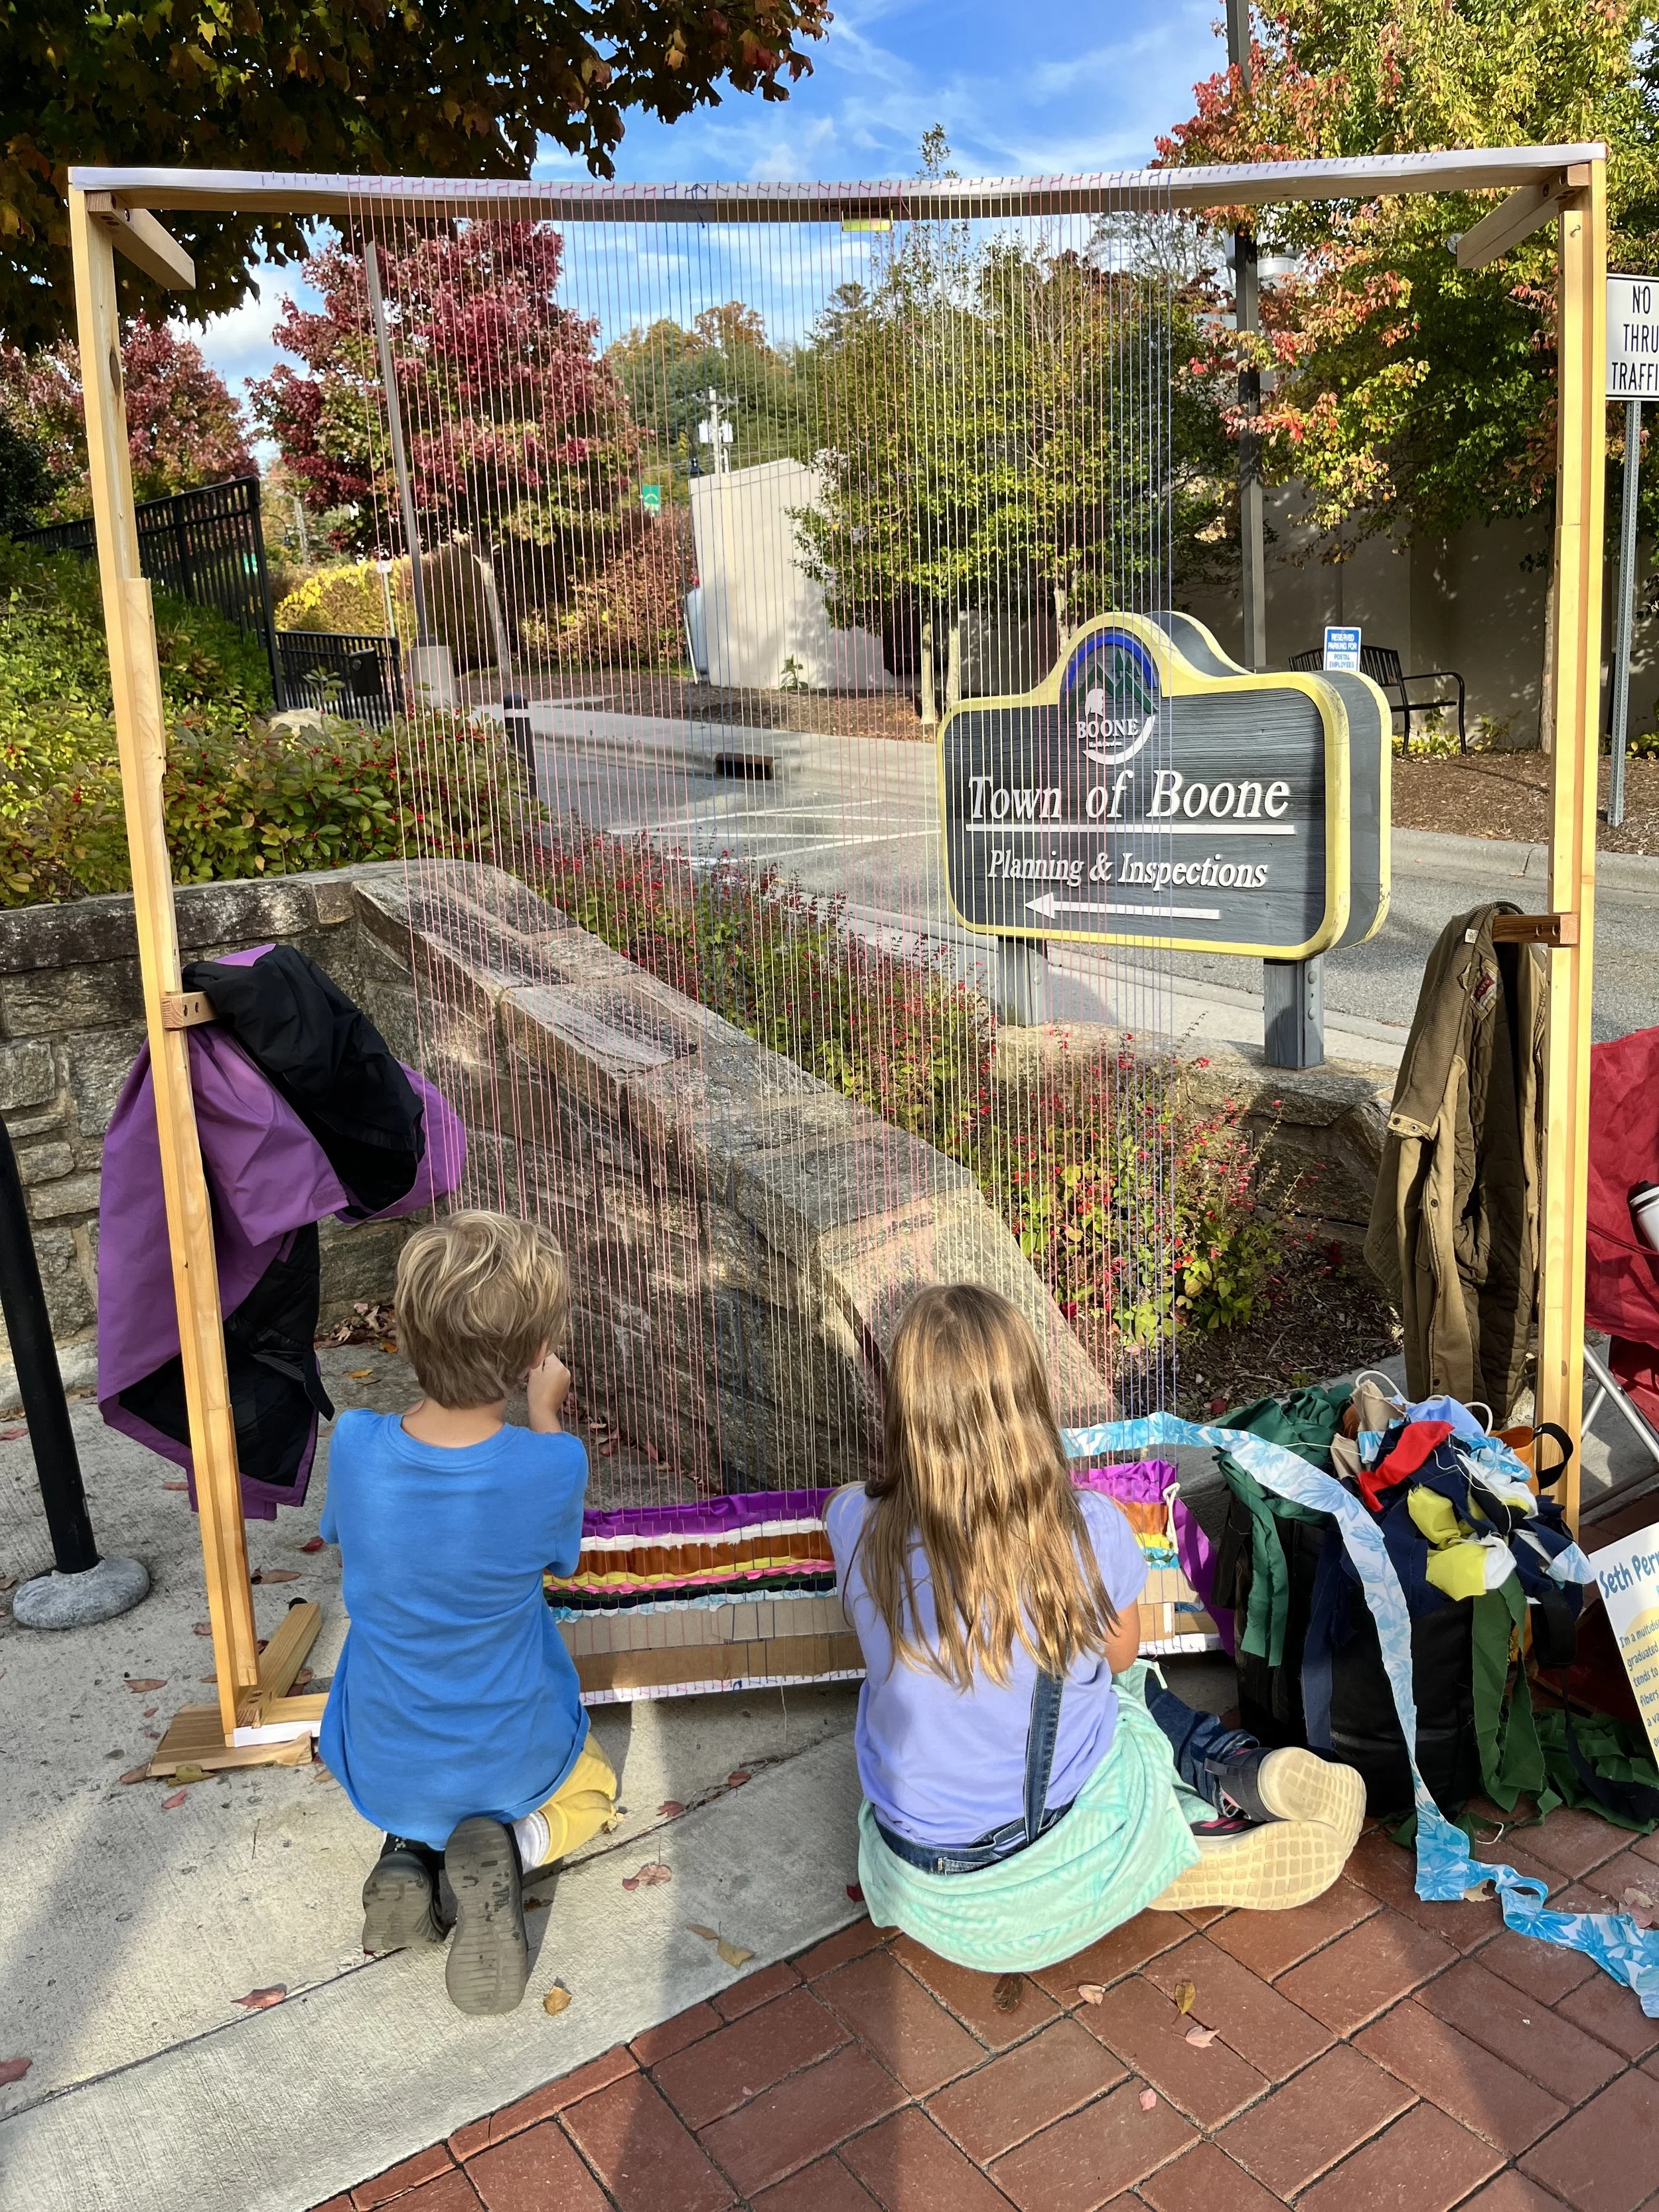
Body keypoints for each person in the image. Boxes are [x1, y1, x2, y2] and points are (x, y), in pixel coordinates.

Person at [825, 1284, 1366, 1973]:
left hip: (928, 1892)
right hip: (1062, 1841)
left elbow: (868, 1534)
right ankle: (1225, 1781)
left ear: (905, 1409)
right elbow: (1119, 1657)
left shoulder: (854, 1523)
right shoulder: (1089, 1530)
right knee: (1130, 1693)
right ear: (1029, 1403)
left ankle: (1158, 1852)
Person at [318, 1210, 618, 2014]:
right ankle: (509, 1848)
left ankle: (409, 1854)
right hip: (509, 1757)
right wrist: (547, 1415)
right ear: (532, 1356)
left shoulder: (354, 1443)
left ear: (406, 1336)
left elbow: (340, 1534)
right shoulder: (551, 1464)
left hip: (380, 1754)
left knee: (416, 1759)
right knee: (593, 1791)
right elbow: (562, 1560)